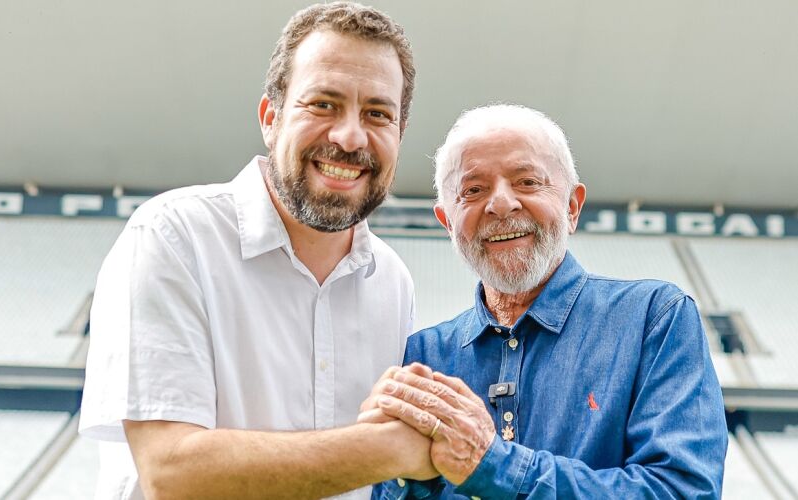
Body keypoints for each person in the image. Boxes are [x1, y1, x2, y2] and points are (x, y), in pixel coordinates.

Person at [79, 3, 437, 498]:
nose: (350, 136)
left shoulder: (391, 279)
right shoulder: (173, 237)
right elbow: (170, 472)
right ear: (270, 118)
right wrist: (387, 449)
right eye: (323, 104)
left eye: (377, 113)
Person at [362, 104, 728, 498]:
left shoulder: (653, 319)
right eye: (473, 190)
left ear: (572, 206)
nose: (501, 204)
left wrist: (491, 464)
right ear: (448, 222)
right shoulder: (423, 356)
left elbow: (682, 491)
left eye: (527, 182)